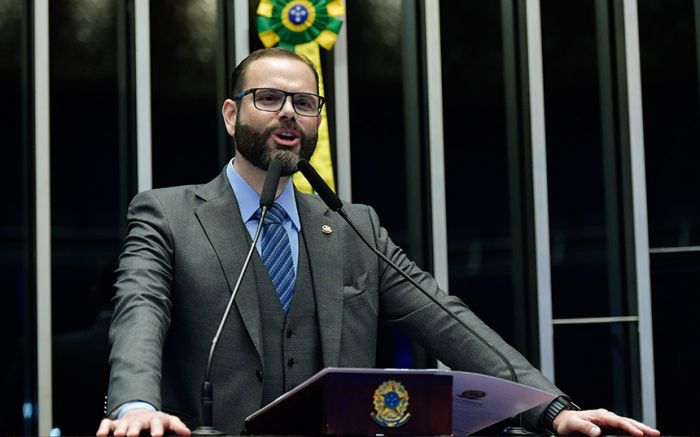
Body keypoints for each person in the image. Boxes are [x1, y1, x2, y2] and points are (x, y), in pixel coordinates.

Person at [96, 48, 659, 437]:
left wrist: (553, 410)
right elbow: (139, 312)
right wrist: (136, 406)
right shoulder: (167, 214)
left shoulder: (352, 226)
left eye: (305, 103)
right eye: (268, 98)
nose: (289, 113)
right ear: (230, 114)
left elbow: (449, 323)